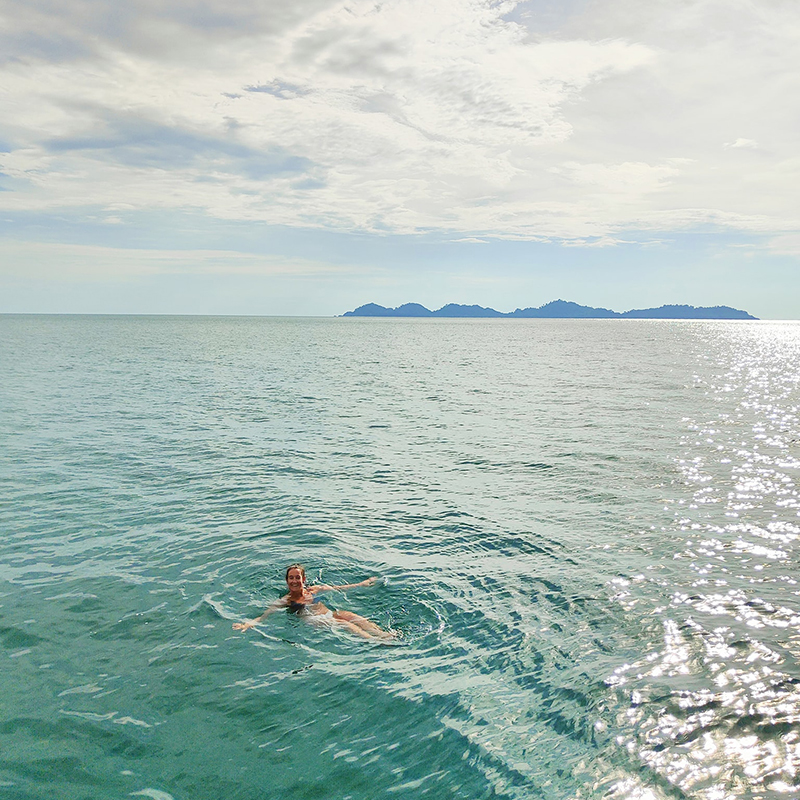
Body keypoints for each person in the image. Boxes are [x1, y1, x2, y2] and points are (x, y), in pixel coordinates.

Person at [233, 564, 395, 640]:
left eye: (298, 577)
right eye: (291, 578)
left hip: (329, 614)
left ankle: (385, 634)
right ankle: (376, 641)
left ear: (303, 579)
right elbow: (264, 616)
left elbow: (339, 588)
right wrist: (248, 624)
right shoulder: (286, 600)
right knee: (346, 625)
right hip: (314, 620)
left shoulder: (314, 590)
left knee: (351, 616)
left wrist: (362, 584)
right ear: (287, 580)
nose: (294, 581)